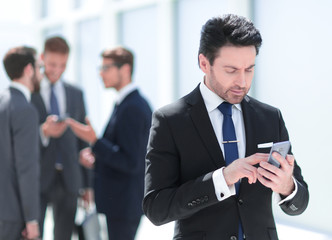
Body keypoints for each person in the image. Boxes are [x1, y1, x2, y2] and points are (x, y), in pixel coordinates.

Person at [142, 14, 309, 240]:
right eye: (231, 70)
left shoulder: (270, 117)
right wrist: (223, 178)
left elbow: (300, 203)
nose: (242, 81)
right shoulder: (170, 120)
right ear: (204, 63)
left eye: (249, 69)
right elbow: (157, 209)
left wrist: (287, 186)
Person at [66, 46, 152, 240]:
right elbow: (120, 150)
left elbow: (131, 161)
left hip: (124, 205)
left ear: (125, 69)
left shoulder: (133, 107)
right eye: (100, 68)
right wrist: (97, 155)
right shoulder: (124, 104)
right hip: (120, 204)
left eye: (106, 68)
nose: (100, 73)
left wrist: (95, 141)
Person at [31, 36, 92, 240]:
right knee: (33, 234)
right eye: (52, 64)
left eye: (63, 65)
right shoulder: (30, 93)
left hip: (70, 179)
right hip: (38, 178)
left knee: (64, 236)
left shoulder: (76, 93)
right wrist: (44, 132)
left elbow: (84, 141)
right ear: (42, 58)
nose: (57, 70)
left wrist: (87, 184)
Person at [0, 46, 43, 240]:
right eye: (39, 68)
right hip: (12, 214)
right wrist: (32, 219)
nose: (42, 74)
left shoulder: (3, 102)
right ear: (28, 70)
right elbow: (26, 168)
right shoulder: (25, 109)